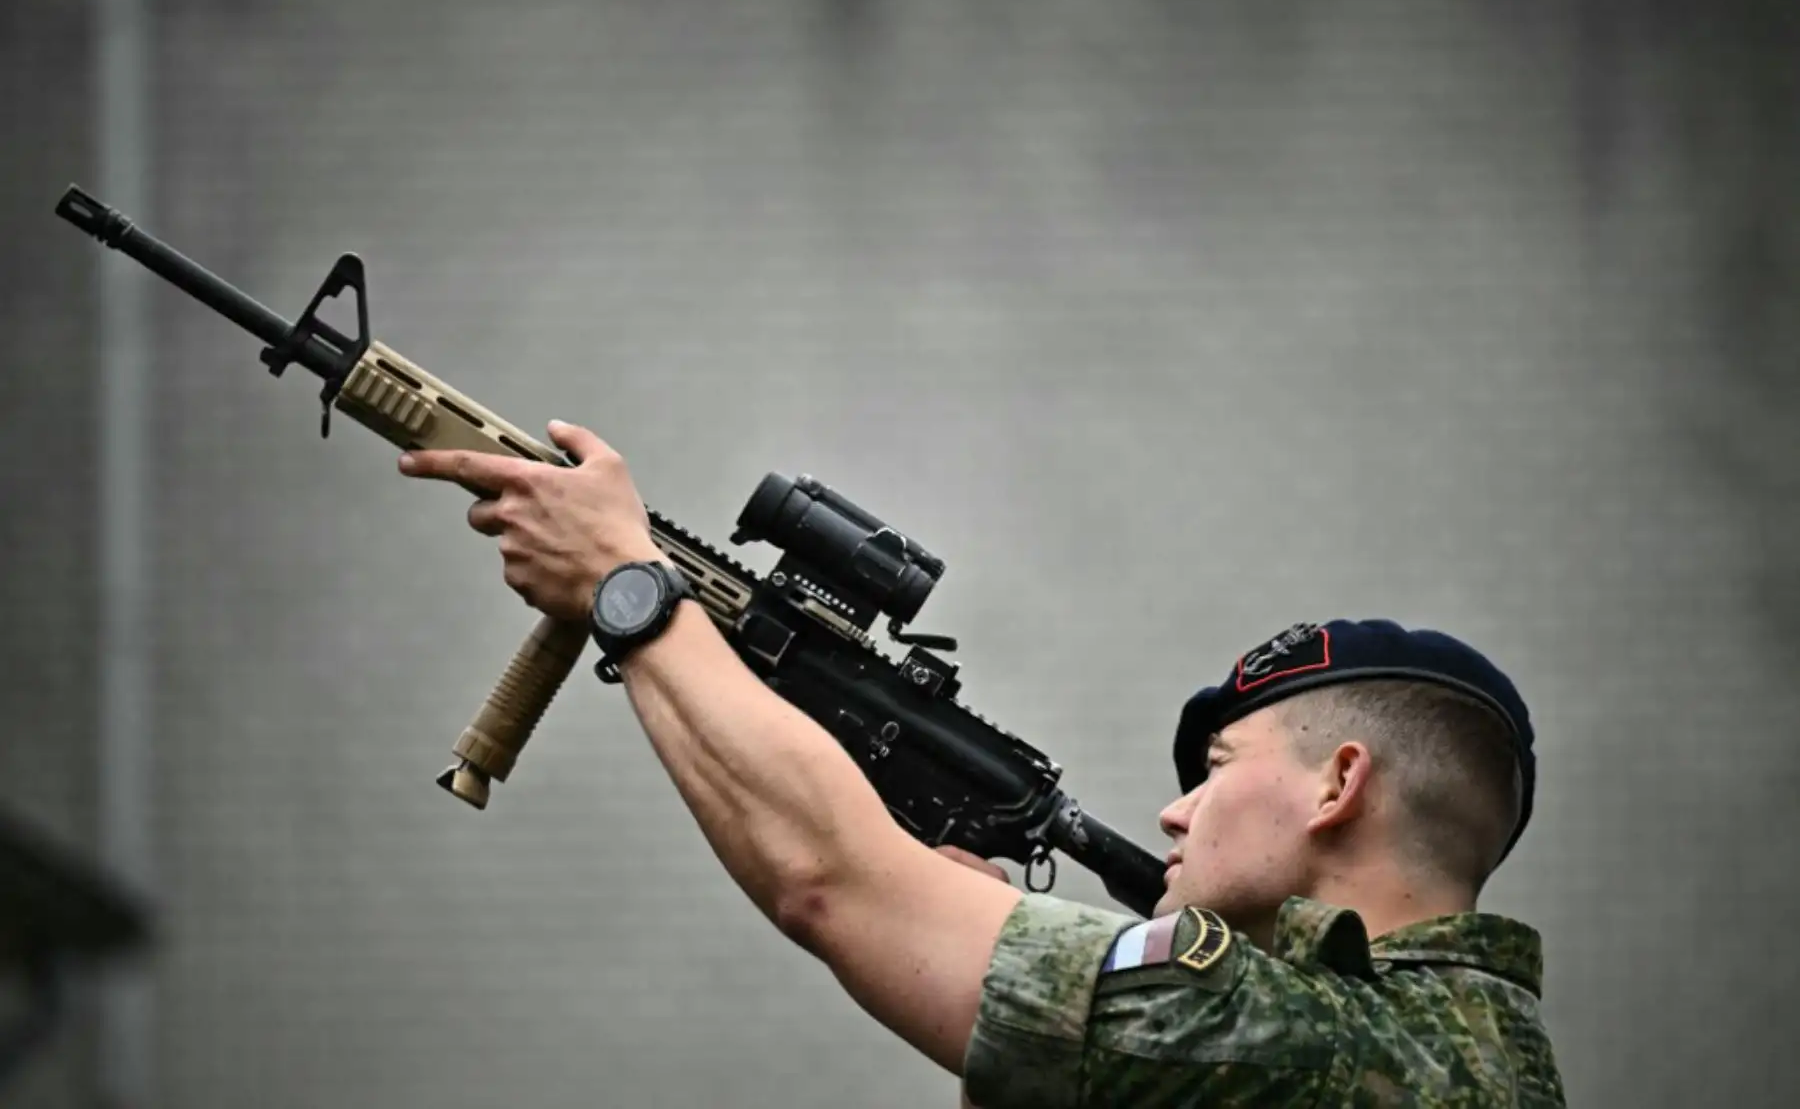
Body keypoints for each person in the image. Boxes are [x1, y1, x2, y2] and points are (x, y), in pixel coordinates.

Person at [399, 423, 1567, 1106]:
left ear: (1337, 782)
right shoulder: (1471, 1060)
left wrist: (629, 589)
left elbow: (829, 881)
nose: (1175, 811)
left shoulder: (1314, 1039)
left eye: (1216, 767)